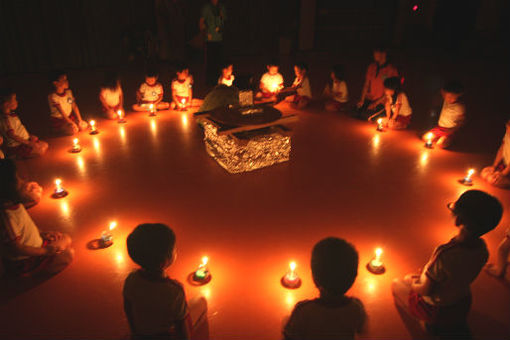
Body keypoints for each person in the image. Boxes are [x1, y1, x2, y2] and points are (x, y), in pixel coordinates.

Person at [392, 190, 503, 337]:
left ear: (458, 220)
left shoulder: (445, 254)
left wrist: (414, 284)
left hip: (435, 309)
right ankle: (447, 324)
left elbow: (426, 291)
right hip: (461, 304)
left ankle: (428, 324)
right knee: (418, 278)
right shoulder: (483, 251)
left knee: (398, 283)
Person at [124, 223, 207, 340]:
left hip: (141, 335)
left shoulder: (130, 280)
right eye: (174, 249)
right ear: (164, 262)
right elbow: (182, 326)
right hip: (166, 335)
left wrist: (135, 333)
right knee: (201, 301)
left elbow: (128, 307)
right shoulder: (174, 291)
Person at [0, 159, 74, 277]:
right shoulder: (6, 217)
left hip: (36, 246)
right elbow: (17, 248)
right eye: (18, 180)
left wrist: (42, 233)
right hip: (24, 261)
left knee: (66, 238)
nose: (23, 181)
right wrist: (45, 251)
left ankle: (49, 254)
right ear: (7, 189)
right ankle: (30, 273)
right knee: (67, 254)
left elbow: (26, 227)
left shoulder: (15, 204)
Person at [283, 237, 366, 340]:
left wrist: (286, 322)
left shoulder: (303, 311)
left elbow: (289, 336)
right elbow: (362, 329)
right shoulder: (357, 308)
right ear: (354, 277)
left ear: (314, 279)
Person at [0, 89, 48, 158]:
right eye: (14, 100)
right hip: (17, 146)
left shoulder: (12, 115)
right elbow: (12, 135)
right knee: (41, 150)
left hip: (24, 141)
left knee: (45, 145)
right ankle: (15, 155)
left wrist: (29, 136)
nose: (17, 101)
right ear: (6, 104)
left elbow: (19, 129)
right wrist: (29, 143)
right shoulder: (5, 119)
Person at [355, 46, 398, 119]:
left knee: (366, 115)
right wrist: (362, 100)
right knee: (356, 111)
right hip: (371, 99)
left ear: (383, 54)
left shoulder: (391, 70)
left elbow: (392, 90)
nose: (374, 55)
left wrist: (376, 103)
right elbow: (366, 84)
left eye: (376, 52)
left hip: (382, 102)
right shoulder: (372, 67)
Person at [421, 81, 465, 149]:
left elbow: (461, 121)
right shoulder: (445, 101)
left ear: (458, 96)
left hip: (449, 130)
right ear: (444, 94)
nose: (451, 99)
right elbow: (438, 96)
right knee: (425, 138)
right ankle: (440, 137)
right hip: (440, 128)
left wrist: (452, 130)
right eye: (449, 96)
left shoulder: (459, 107)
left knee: (441, 144)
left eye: (454, 97)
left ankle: (446, 139)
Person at [48, 71, 88, 136]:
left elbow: (74, 106)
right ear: (55, 83)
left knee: (84, 125)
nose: (66, 82)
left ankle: (73, 125)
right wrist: (71, 123)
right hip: (60, 120)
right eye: (63, 80)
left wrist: (80, 120)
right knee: (73, 130)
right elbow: (62, 113)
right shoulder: (53, 97)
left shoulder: (68, 93)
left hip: (69, 118)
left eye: (66, 79)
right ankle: (59, 130)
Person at [200, 0, 227, 86]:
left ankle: (218, 81)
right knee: (210, 61)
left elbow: (224, 20)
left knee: (218, 60)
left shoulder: (221, 7)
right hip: (210, 38)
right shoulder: (207, 8)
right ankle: (209, 82)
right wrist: (204, 32)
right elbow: (201, 21)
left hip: (219, 38)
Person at [481, 119, 510, 188]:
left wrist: (503, 174)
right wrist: (494, 166)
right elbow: (502, 149)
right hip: (505, 164)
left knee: (494, 180)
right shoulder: (508, 134)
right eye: (507, 129)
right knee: (484, 173)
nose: (508, 132)